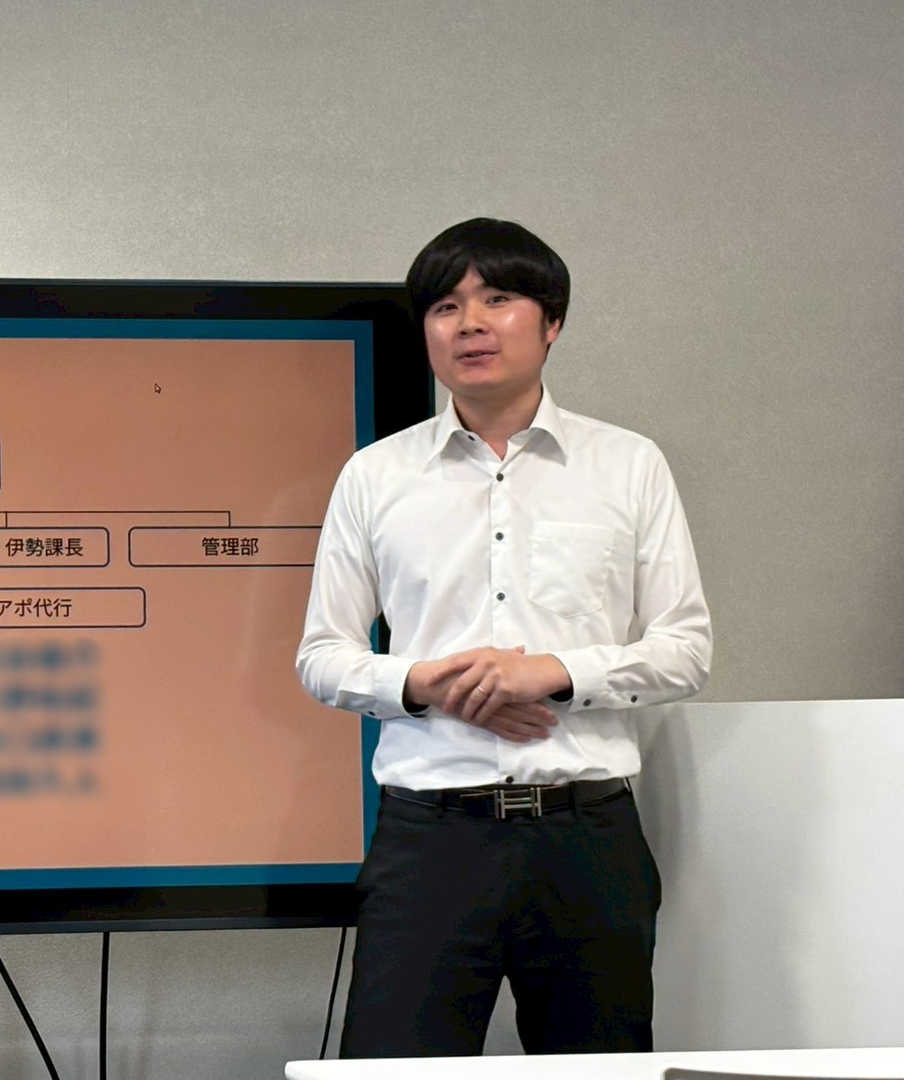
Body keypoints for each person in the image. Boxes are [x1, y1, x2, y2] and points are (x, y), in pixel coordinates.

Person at [296, 218, 711, 1058]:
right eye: (445, 306)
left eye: (498, 299)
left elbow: (686, 649)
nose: (471, 324)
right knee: (391, 1073)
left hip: (585, 840)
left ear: (552, 321)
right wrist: (429, 686)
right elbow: (322, 655)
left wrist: (553, 674)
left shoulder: (628, 465)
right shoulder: (375, 475)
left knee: (600, 1073)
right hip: (429, 842)